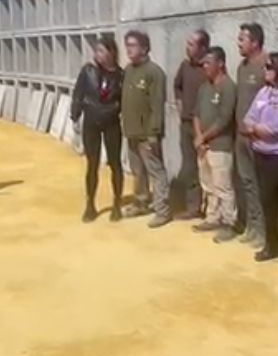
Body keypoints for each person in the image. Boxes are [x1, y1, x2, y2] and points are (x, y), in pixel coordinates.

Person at [245, 52, 278, 262]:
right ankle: (269, 240)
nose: (264, 70)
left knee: (270, 199)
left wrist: (255, 129)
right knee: (264, 199)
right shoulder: (264, 92)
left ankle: (274, 243)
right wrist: (257, 128)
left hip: (277, 155)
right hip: (259, 152)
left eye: (269, 67)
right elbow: (248, 118)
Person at [71, 35, 125, 223]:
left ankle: (117, 203)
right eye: (96, 50)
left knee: (115, 163)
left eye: (101, 51)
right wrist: (75, 116)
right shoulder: (88, 71)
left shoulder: (120, 75)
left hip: (111, 122)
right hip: (91, 122)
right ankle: (90, 204)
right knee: (92, 164)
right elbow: (78, 94)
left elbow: (124, 100)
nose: (97, 54)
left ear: (111, 52)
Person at [121, 30, 171, 228]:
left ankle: (162, 210)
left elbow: (157, 106)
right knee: (137, 171)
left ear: (144, 48)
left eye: (133, 45)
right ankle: (141, 202)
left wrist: (153, 134)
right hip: (131, 131)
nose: (128, 50)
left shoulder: (154, 73)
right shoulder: (128, 70)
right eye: (127, 45)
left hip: (147, 134)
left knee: (156, 171)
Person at [191, 47, 240, 242]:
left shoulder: (228, 87)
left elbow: (224, 119)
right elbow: (196, 114)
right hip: (203, 146)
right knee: (208, 184)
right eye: (203, 63)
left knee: (223, 187)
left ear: (220, 64)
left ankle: (229, 223)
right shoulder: (204, 88)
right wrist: (198, 137)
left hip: (220, 146)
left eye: (208, 63)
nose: (204, 66)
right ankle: (212, 217)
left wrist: (204, 137)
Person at [234, 23, 270, 248]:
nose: (238, 43)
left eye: (242, 39)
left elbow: (271, 99)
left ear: (255, 42)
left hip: (257, 136)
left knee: (260, 184)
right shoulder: (242, 66)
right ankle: (252, 226)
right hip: (241, 135)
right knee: (247, 182)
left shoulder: (266, 65)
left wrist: (258, 127)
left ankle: (263, 232)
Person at [173, 29, 210, 220]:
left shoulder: (210, 67)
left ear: (203, 47)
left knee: (208, 168)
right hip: (187, 124)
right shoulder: (185, 66)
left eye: (191, 44)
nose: (187, 47)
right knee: (189, 167)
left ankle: (212, 211)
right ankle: (193, 207)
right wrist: (179, 104)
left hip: (206, 128)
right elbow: (177, 85)